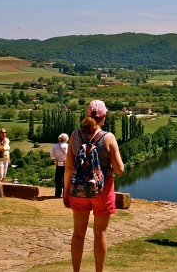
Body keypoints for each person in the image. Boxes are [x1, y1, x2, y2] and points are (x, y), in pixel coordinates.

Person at [63, 100, 124, 272]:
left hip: (78, 190)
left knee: (78, 234)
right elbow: (119, 169)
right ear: (104, 117)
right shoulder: (108, 137)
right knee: (100, 234)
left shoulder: (75, 136)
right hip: (102, 191)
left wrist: (66, 192)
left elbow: (68, 167)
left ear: (87, 115)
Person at [51, 133, 69, 198]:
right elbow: (68, 154)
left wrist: (55, 160)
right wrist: (66, 160)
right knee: (65, 179)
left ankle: (57, 194)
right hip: (65, 164)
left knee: (58, 179)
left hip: (58, 164)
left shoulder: (55, 146)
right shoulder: (67, 146)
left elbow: (51, 154)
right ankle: (65, 194)